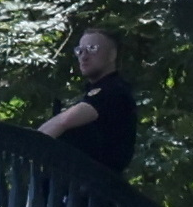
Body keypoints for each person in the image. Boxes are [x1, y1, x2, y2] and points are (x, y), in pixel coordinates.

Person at [39, 27, 140, 179]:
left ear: (112, 55)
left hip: (92, 191)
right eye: (80, 50)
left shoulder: (113, 91)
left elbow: (64, 121)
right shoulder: (89, 92)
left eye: (92, 49)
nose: (84, 56)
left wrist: (29, 146)